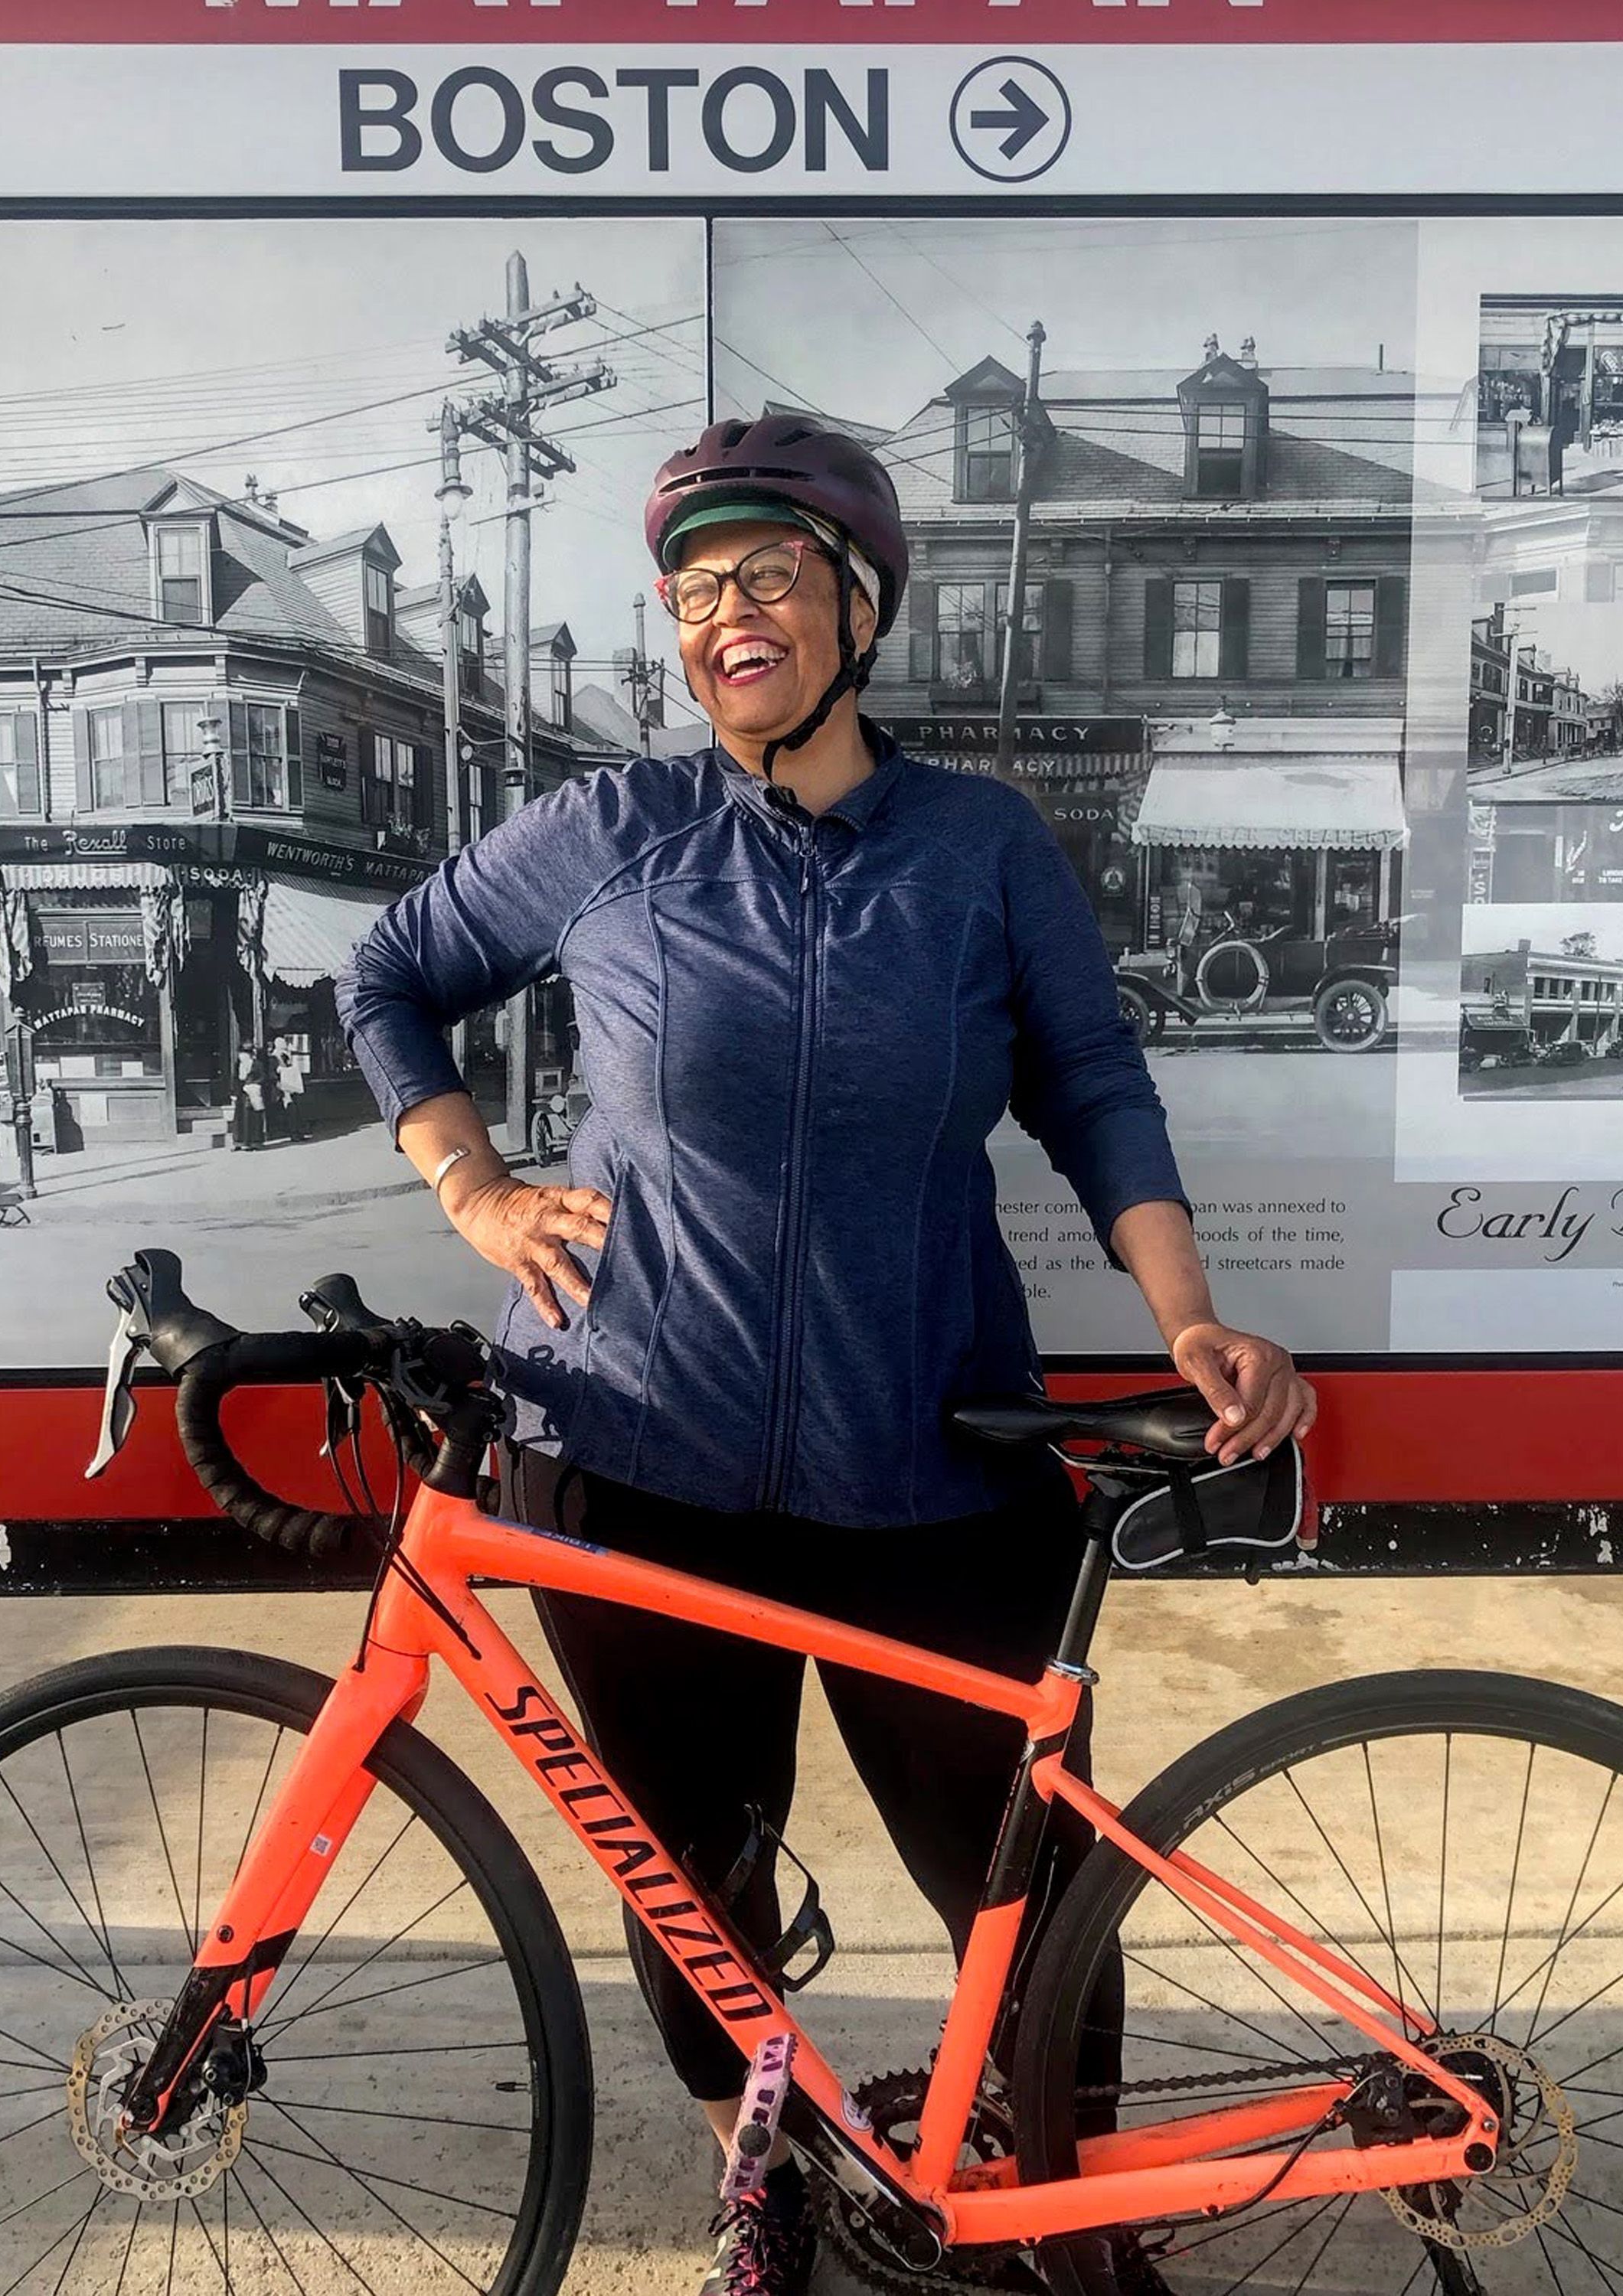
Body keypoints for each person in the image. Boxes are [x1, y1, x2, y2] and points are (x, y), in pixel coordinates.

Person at [341, 414, 1314, 2296]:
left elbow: (1095, 1088)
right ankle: (760, 2166)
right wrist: (472, 1188)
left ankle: (1065, 2211)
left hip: (928, 1459)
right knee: (693, 1880)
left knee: (1019, 1896)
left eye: (768, 577)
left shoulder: (977, 849)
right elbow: (388, 974)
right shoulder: (610, 834)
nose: (727, 617)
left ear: (860, 608)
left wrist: (1185, 1307)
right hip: (635, 1448)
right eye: (695, 591)